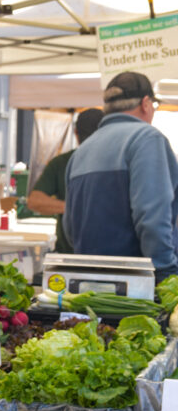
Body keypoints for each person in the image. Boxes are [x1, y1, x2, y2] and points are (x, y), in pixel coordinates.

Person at [64, 71, 178, 282]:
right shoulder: (146, 139)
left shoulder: (82, 151)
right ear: (146, 103)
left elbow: (70, 229)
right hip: (139, 287)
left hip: (90, 286)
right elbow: (152, 216)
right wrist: (166, 273)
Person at [27, 108, 103, 253]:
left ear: (75, 132)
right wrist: (75, 208)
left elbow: (34, 201)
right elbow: (35, 201)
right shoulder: (62, 163)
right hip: (78, 252)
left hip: (71, 251)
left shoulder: (63, 162)